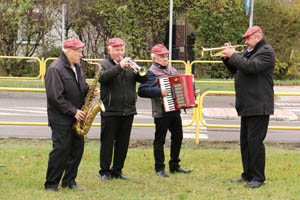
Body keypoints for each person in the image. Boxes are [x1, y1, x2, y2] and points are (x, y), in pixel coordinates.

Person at [221, 26, 275, 188]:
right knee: (245, 142)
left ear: (257, 38)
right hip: (248, 104)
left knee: (255, 143)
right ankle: (247, 174)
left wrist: (234, 55)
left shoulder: (266, 51)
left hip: (259, 104)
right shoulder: (249, 51)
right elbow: (236, 68)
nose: (245, 41)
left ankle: (258, 178)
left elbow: (251, 67)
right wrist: (226, 57)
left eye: (247, 38)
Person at [44, 38, 99, 192]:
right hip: (61, 118)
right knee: (60, 150)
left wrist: (90, 91)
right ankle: (51, 184)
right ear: (68, 51)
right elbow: (55, 97)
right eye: (79, 51)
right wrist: (73, 111)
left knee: (77, 149)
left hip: (77, 117)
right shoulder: (55, 68)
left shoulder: (77, 67)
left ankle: (69, 181)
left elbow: (81, 86)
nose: (81, 55)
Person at [138, 44, 197, 178]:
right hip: (161, 112)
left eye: (166, 56)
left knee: (178, 137)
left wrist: (193, 93)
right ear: (154, 58)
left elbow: (182, 89)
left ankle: (174, 165)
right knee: (160, 140)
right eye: (162, 56)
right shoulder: (151, 73)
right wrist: (159, 91)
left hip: (174, 110)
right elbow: (141, 91)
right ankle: (159, 168)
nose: (165, 59)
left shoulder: (173, 70)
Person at [98, 38, 148, 181]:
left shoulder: (129, 65)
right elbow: (103, 78)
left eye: (122, 49)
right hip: (110, 110)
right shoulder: (103, 65)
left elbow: (145, 79)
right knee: (107, 142)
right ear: (110, 50)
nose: (120, 52)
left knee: (123, 143)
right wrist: (119, 67)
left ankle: (117, 170)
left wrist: (137, 69)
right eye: (117, 50)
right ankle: (105, 171)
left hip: (128, 110)